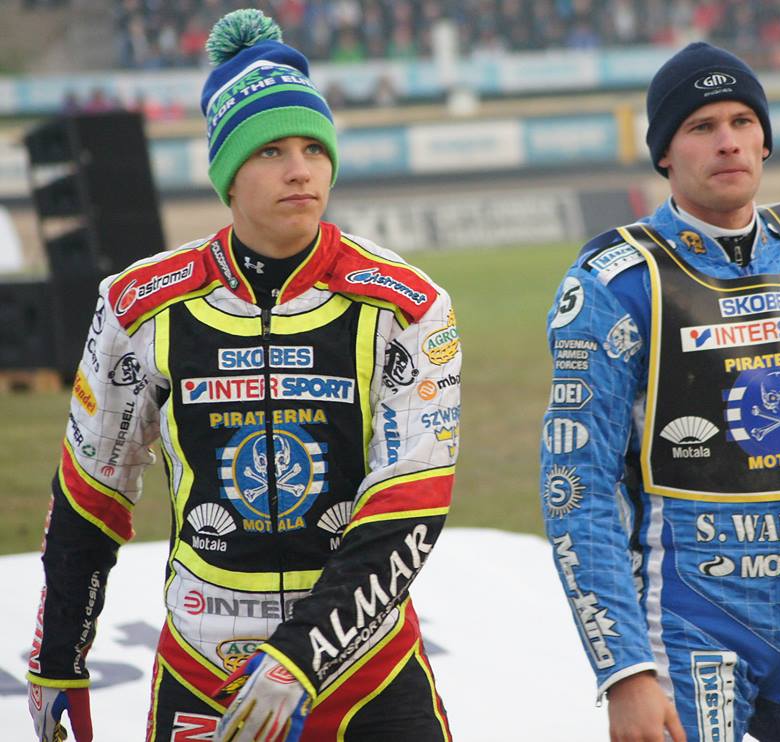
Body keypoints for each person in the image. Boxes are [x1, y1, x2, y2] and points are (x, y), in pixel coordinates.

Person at [27, 9, 460, 742]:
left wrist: (299, 658)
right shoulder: (139, 304)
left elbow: (410, 505)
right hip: (206, 667)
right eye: (270, 151)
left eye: (314, 148)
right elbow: (91, 494)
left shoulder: (406, 304)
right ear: (227, 175)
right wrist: (58, 658)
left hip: (366, 669)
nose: (300, 170)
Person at [540, 42, 780, 742]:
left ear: (765, 140)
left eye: (743, 121)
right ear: (664, 152)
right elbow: (577, 487)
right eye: (701, 126)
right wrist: (625, 669)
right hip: (684, 629)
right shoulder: (613, 281)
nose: (728, 142)